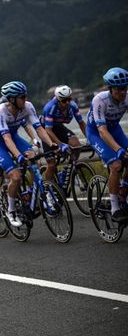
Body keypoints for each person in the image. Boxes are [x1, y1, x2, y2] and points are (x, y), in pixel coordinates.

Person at [0, 81, 67, 227]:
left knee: (34, 160)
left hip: (14, 137)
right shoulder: (0, 111)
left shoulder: (28, 107)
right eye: (22, 97)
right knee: (16, 177)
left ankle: (39, 195)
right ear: (11, 99)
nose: (25, 99)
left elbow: (39, 129)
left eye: (25, 96)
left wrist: (51, 144)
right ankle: (11, 210)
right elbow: (6, 138)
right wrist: (18, 156)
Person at [86, 67, 128, 222]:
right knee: (116, 165)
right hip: (96, 133)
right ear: (111, 89)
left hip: (115, 130)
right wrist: (118, 149)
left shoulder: (127, 97)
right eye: (119, 89)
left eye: (125, 88)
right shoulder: (99, 100)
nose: (123, 92)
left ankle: (123, 193)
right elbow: (102, 131)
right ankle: (115, 207)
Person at [41, 86, 87, 181]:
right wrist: (60, 144)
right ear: (58, 100)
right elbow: (48, 130)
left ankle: (70, 170)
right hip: (45, 131)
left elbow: (82, 124)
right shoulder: (50, 107)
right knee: (52, 164)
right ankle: (48, 188)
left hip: (58, 127)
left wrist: (90, 138)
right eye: (64, 101)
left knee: (76, 144)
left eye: (69, 99)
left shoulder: (73, 106)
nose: (67, 103)